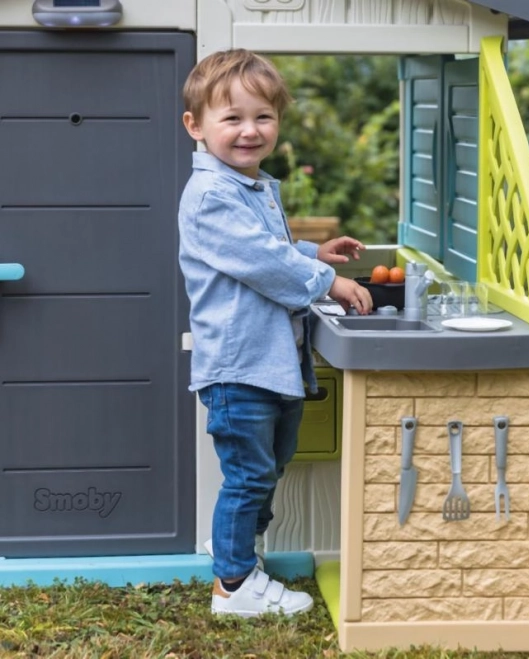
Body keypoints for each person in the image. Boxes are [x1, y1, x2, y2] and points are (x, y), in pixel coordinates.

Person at [177, 49, 373, 618]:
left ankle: (238, 554)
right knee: (249, 474)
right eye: (231, 118)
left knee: (267, 468)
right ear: (196, 126)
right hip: (240, 366)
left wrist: (313, 251)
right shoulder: (213, 195)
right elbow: (262, 261)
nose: (249, 130)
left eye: (262, 117)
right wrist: (326, 279)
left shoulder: (251, 186)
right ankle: (233, 586)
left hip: (271, 363)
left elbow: (266, 248)